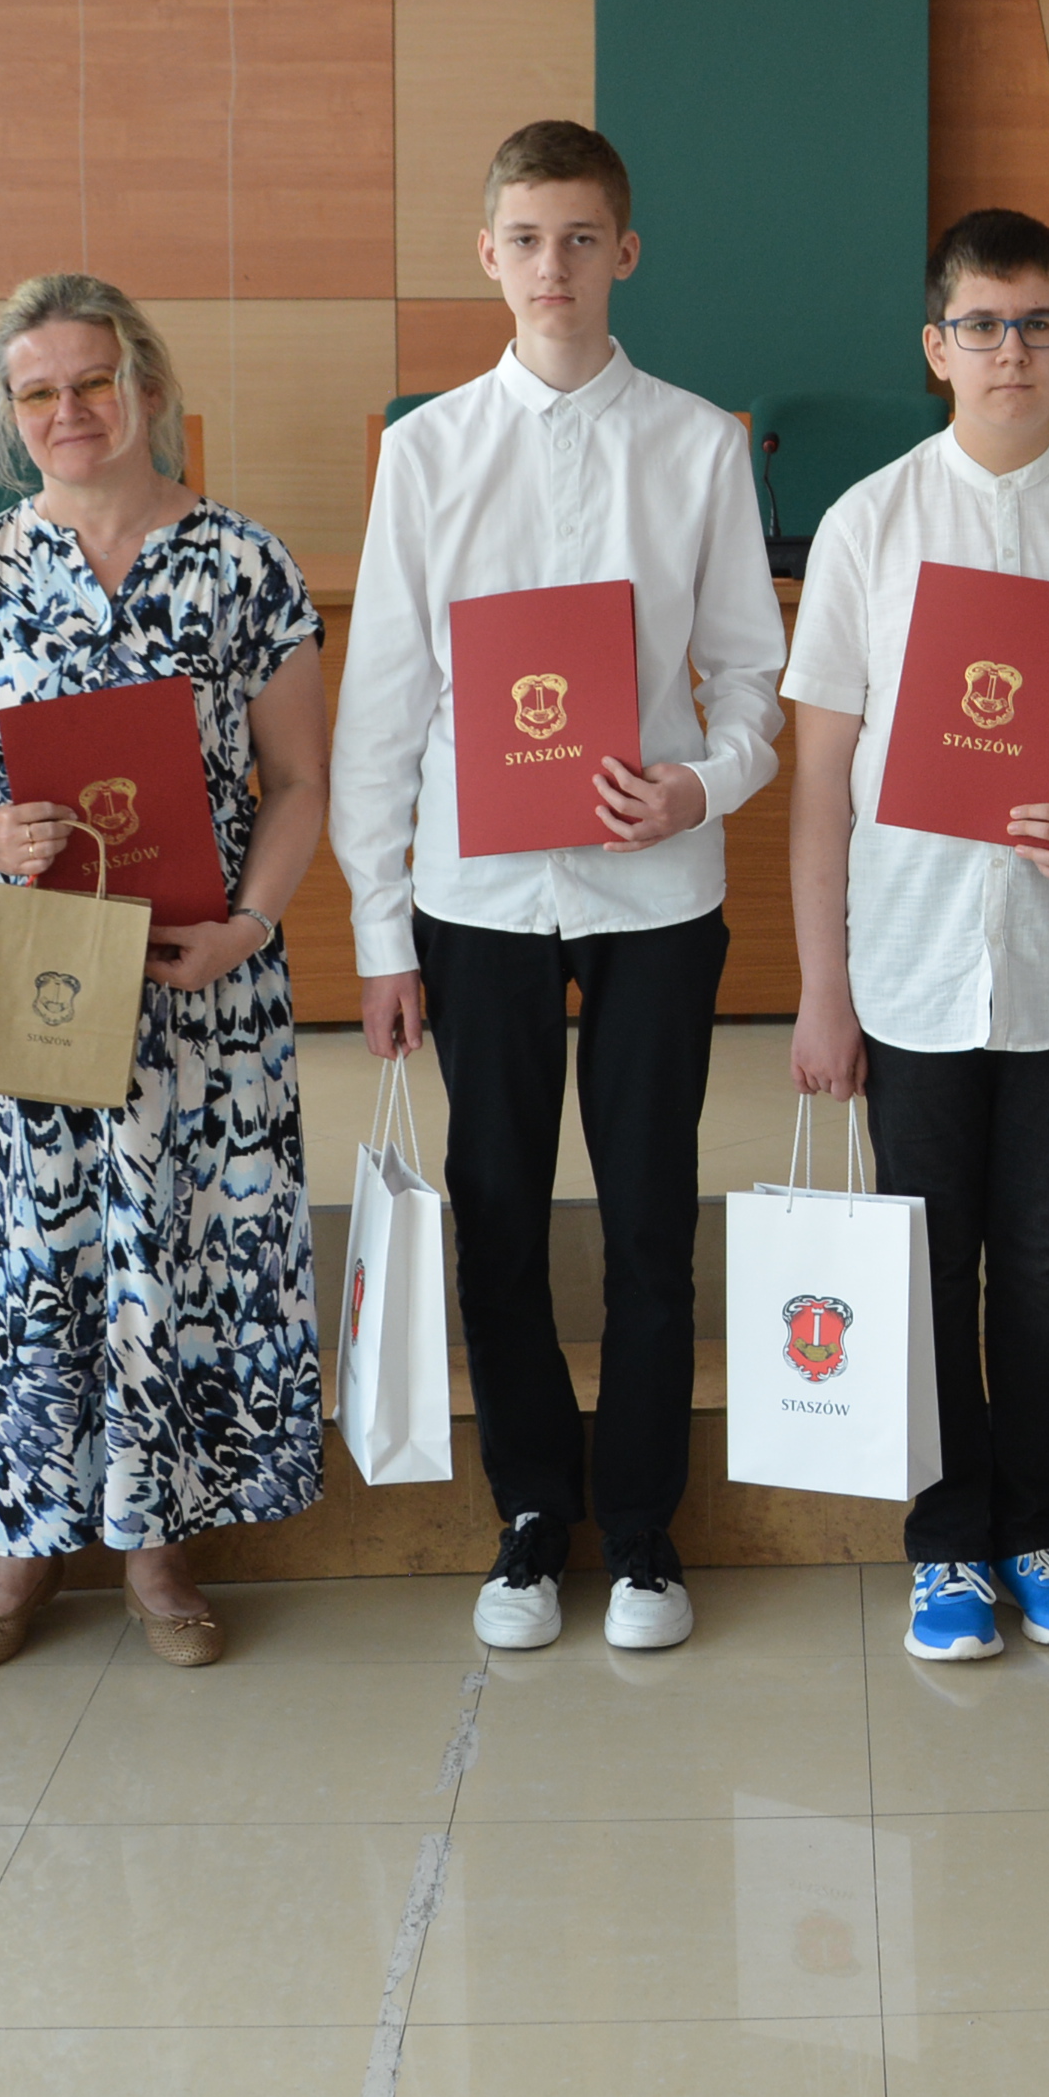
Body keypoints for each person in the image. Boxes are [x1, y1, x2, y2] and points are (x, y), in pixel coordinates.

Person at [333, 120, 785, 1653]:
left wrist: (701, 782)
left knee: (655, 1218)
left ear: (627, 252)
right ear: (488, 255)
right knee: (500, 1211)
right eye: (526, 239)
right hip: (480, 896)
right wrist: (381, 932)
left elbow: (755, 684)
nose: (554, 268)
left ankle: (646, 1529)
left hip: (656, 889)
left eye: (582, 238)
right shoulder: (427, 449)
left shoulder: (701, 443)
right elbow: (384, 704)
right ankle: (532, 1515)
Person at [785, 209, 1049, 1661]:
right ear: (934, 347)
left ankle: (1032, 1526)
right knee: (929, 1255)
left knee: (1041, 1257)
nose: (1010, 351)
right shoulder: (870, 523)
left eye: (1037, 323)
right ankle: (943, 1545)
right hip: (906, 964)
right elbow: (821, 785)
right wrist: (822, 991)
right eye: (981, 325)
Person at [0, 277, 330, 1672]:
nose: (70, 412)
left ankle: (159, 1548)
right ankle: (18, 1550)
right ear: (7, 417)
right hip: (24, 971)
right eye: (39, 392)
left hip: (200, 976)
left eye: (93, 382)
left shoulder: (244, 563)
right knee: (27, 1251)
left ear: (147, 388)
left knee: (182, 1249)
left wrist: (255, 923)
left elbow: (303, 778)